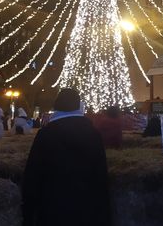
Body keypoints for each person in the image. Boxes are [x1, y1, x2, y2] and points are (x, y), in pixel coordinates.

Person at [22, 88, 110, 226]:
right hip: (87, 210)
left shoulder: (46, 134)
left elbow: (33, 175)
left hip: (52, 209)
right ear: (78, 105)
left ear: (57, 105)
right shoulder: (93, 134)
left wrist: (28, 214)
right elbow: (101, 175)